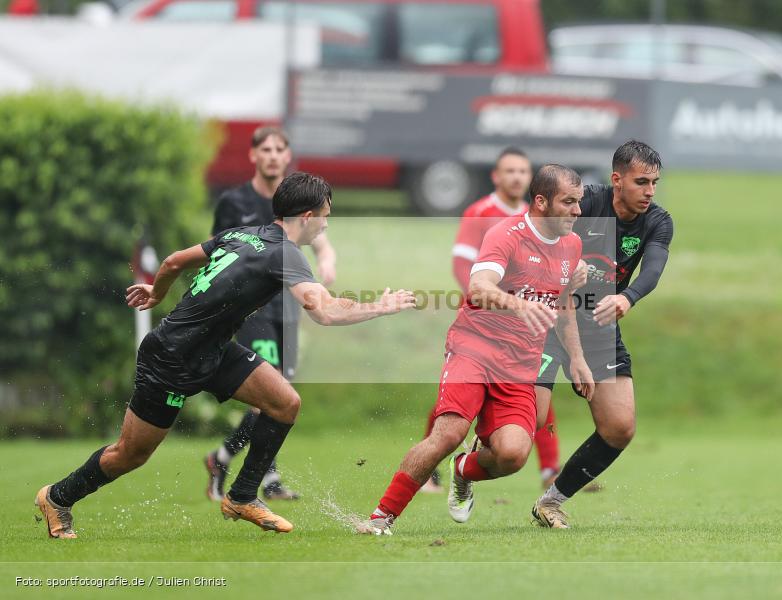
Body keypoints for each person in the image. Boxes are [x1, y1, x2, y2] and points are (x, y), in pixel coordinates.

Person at [35, 172, 416, 538]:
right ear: (306, 217)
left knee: (285, 403)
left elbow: (172, 263)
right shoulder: (285, 254)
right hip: (171, 357)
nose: (326, 227)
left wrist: (157, 293)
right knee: (130, 454)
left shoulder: (240, 234)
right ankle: (57, 497)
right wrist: (380, 306)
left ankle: (242, 496)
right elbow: (326, 311)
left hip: (212, 350)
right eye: (325, 218)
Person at [359, 164, 591, 536]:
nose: (578, 211)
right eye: (569, 202)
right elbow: (479, 287)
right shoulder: (507, 233)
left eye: (579, 202)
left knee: (514, 455)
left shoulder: (572, 245)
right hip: (475, 348)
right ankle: (379, 519)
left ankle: (463, 470)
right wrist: (519, 304)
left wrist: (577, 358)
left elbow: (563, 305)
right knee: (448, 433)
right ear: (542, 201)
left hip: (520, 364)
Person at [531, 140, 674, 529]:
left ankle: (551, 502)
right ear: (616, 179)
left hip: (598, 331)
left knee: (619, 427)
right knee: (530, 422)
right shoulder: (583, 205)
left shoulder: (657, 221)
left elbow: (653, 269)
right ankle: (473, 457)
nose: (650, 191)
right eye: (641, 181)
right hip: (548, 323)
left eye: (655, 182)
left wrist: (627, 298)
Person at [204, 125, 337, 502]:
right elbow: (222, 251)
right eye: (266, 149)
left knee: (281, 394)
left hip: (288, 309)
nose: (274, 155)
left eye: (281, 149)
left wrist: (326, 263)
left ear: (287, 155)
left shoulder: (297, 198)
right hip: (253, 311)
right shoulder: (235, 202)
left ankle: (232, 461)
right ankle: (255, 471)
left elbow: (323, 244)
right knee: (271, 394)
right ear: (253, 155)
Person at [420, 147, 561, 493]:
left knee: (536, 389)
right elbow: (462, 266)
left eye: (523, 171)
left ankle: (550, 472)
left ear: (532, 179)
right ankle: (430, 471)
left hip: (528, 323)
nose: (516, 177)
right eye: (509, 171)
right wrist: (491, 304)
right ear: (496, 176)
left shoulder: (540, 221)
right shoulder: (480, 213)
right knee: (457, 399)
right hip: (484, 322)